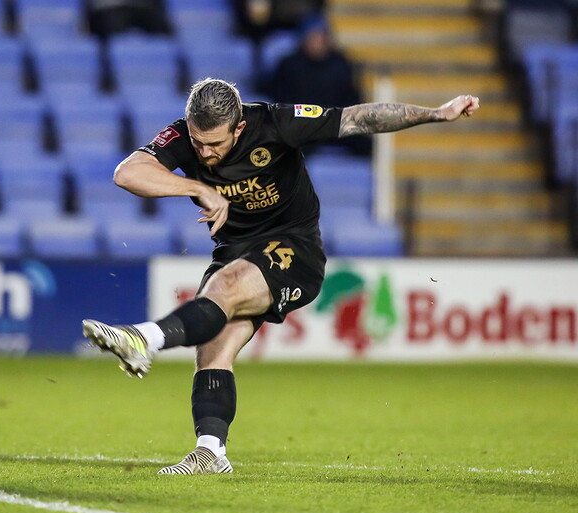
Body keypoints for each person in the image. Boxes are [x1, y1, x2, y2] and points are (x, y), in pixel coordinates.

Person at [82, 78, 479, 474]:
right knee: (213, 349)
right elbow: (128, 173)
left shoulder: (277, 123)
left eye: (215, 144)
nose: (205, 153)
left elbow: (358, 119)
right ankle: (210, 452)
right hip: (234, 250)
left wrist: (435, 114)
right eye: (198, 143)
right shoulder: (186, 135)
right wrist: (196, 188)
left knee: (226, 286)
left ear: (238, 127)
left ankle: (143, 338)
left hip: (295, 248)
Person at [268, 15, 368, 155]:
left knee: (364, 141)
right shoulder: (289, 65)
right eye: (312, 37)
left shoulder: (341, 64)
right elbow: (279, 97)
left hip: (334, 123)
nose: (317, 42)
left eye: (320, 37)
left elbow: (351, 97)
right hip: (302, 125)